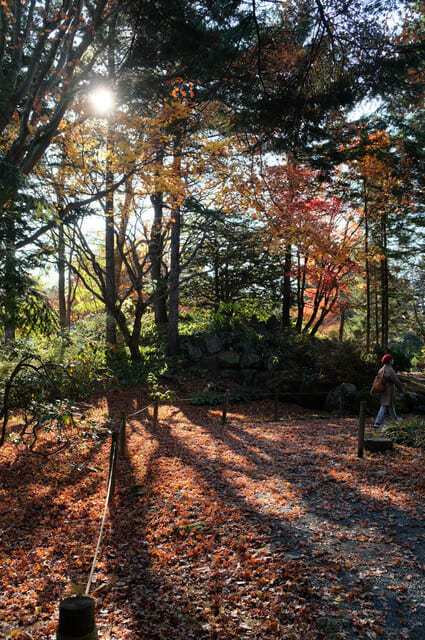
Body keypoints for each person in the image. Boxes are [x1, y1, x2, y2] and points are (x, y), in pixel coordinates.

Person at [370, 354, 404, 429]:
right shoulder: (390, 370)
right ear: (390, 361)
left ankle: (396, 420)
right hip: (389, 392)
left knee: (389, 406)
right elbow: (397, 381)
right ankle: (377, 422)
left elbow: (376, 380)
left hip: (383, 391)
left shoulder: (381, 370)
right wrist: (401, 389)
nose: (393, 361)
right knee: (385, 406)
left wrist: (372, 390)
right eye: (392, 360)